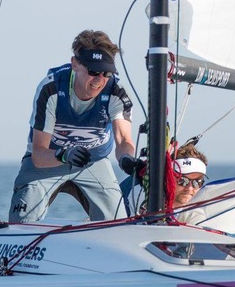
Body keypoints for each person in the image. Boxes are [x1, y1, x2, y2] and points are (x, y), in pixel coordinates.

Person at [9, 29, 145, 223]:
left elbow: (123, 140)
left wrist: (127, 160)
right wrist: (64, 154)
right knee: (21, 223)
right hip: (49, 159)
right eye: (93, 71)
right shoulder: (51, 88)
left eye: (106, 73)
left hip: (93, 160)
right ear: (75, 64)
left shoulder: (117, 92)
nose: (99, 80)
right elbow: (39, 154)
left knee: (116, 224)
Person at [170, 143, 208, 224]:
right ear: (169, 180)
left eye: (197, 182)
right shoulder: (149, 211)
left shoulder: (203, 216)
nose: (189, 188)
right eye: (182, 180)